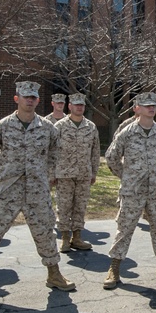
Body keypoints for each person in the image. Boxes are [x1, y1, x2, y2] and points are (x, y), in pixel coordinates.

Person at [0, 81, 75, 307]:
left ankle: (54, 275)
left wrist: (44, 172)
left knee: (45, 233)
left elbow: (56, 153)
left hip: (37, 191)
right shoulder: (2, 126)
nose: (29, 100)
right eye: (25, 96)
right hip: (7, 191)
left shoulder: (48, 128)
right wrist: (2, 170)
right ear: (16, 99)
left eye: (33, 97)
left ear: (38, 101)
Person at [102, 92, 156, 289]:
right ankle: (114, 268)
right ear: (136, 108)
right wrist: (127, 176)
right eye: (146, 105)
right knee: (125, 228)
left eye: (153, 105)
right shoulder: (126, 133)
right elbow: (111, 157)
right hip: (132, 191)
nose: (151, 108)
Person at [53, 93, 101, 252]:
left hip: (84, 174)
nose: (79, 107)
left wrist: (94, 172)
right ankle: (65, 239)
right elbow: (50, 151)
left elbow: (95, 152)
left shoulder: (91, 127)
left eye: (82, 105)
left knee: (80, 207)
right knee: (64, 206)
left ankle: (77, 238)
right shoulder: (59, 126)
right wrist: (52, 173)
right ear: (70, 106)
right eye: (76, 104)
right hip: (64, 174)